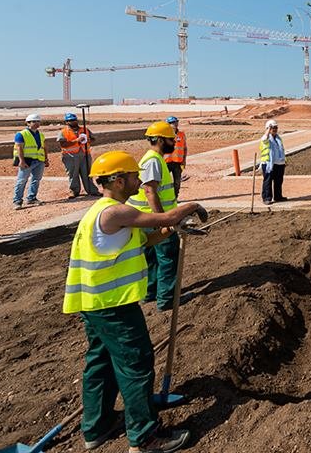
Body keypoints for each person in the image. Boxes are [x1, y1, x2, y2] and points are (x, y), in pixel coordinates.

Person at [63, 150, 206, 453]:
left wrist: (171, 231)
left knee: (100, 363)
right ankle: (144, 438)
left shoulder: (105, 213)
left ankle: (97, 427)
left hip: (94, 304)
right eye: (133, 176)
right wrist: (191, 206)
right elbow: (167, 215)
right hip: (113, 307)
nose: (139, 181)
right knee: (136, 364)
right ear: (117, 180)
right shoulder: (114, 212)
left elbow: (146, 240)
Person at [126, 122, 182, 311]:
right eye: (170, 139)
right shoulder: (153, 161)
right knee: (168, 257)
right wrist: (162, 221)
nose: (173, 142)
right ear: (159, 139)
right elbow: (150, 191)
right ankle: (166, 299)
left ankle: (150, 293)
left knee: (151, 259)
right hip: (152, 219)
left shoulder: (155, 159)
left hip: (146, 219)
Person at [58, 112, 99, 199]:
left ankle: (92, 190)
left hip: (85, 155)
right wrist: (76, 140)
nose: (73, 122)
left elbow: (93, 139)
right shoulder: (64, 132)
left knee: (87, 173)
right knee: (73, 174)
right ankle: (74, 191)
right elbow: (63, 144)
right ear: (66, 122)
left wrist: (88, 140)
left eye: (74, 120)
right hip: (70, 157)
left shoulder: (85, 129)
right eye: (70, 120)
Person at [13, 113, 49, 208]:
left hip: (39, 161)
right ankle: (17, 201)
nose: (37, 123)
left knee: (36, 180)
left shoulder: (41, 135)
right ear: (28, 123)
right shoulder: (21, 134)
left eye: (38, 121)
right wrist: (22, 161)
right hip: (27, 161)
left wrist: (46, 159)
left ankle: (31, 198)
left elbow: (44, 147)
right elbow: (19, 148)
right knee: (21, 181)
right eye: (34, 121)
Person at [259, 119, 287, 204]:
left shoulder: (278, 139)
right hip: (268, 164)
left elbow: (281, 150)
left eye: (276, 127)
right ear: (268, 129)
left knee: (278, 181)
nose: (274, 129)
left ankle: (278, 197)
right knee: (268, 181)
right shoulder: (266, 138)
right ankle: (267, 198)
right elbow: (264, 139)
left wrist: (284, 161)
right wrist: (268, 129)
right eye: (272, 128)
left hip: (279, 163)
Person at [163, 116, 188, 199]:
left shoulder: (181, 134)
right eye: (172, 123)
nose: (175, 124)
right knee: (163, 182)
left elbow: (184, 148)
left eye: (176, 122)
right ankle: (163, 198)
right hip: (166, 163)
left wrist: (184, 160)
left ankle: (174, 198)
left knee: (177, 182)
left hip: (178, 162)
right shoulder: (164, 135)